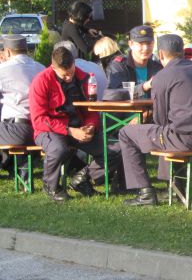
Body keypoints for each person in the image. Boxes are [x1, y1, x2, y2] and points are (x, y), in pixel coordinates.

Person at [118, 34, 192, 206]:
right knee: (167, 130)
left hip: (187, 140)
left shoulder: (162, 76)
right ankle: (175, 186)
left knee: (126, 133)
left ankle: (145, 192)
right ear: (182, 52)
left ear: (160, 54)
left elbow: (160, 119)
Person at [29, 47, 123, 201]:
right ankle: (51, 186)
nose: (68, 77)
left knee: (114, 151)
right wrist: (70, 131)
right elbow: (39, 119)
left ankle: (82, 178)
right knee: (58, 149)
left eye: (71, 72)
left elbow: (91, 110)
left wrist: (91, 126)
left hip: (80, 127)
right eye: (64, 75)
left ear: (74, 63)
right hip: (49, 130)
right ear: (53, 67)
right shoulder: (40, 81)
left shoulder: (84, 78)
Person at [0, 35, 45, 176]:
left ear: (7, 52)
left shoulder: (3, 69)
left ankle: (12, 164)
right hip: (42, 130)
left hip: (16, 130)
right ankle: (15, 164)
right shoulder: (41, 68)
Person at [105, 25, 162, 100]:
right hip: (127, 111)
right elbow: (114, 95)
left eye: (149, 43)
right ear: (131, 44)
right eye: (141, 44)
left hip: (151, 111)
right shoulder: (118, 66)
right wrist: (145, 86)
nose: (145, 48)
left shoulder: (158, 67)